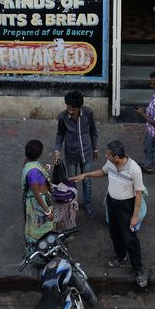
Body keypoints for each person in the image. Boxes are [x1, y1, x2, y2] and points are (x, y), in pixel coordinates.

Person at [72, 140, 148, 289]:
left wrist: (134, 216)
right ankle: (121, 256)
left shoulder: (134, 169)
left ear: (117, 158)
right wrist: (86, 175)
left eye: (108, 156)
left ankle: (139, 270)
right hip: (112, 203)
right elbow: (103, 171)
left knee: (130, 239)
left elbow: (138, 194)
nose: (106, 157)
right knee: (114, 233)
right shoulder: (111, 164)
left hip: (127, 206)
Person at [52, 90, 100, 220]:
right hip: (71, 154)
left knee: (87, 180)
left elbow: (93, 132)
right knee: (71, 182)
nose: (70, 112)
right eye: (68, 108)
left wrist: (95, 149)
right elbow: (60, 134)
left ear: (80, 107)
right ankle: (72, 205)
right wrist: (57, 150)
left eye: (73, 110)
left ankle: (88, 204)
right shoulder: (62, 117)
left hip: (87, 152)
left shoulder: (88, 113)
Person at [22, 139, 55, 257]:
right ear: (39, 153)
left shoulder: (28, 163)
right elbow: (36, 192)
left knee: (34, 228)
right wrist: (47, 211)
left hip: (33, 204)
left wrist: (44, 169)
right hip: (39, 205)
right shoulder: (34, 172)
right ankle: (43, 256)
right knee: (43, 230)